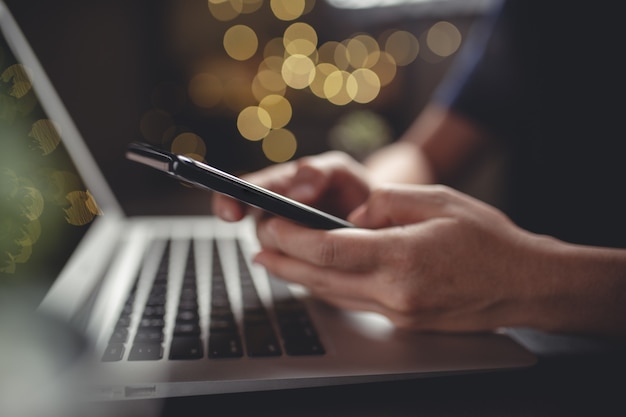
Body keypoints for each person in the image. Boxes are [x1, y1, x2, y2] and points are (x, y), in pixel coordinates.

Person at [212, 0, 626, 341]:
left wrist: (527, 281)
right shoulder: (533, 15)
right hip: (529, 339)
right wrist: (372, 194)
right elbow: (425, 153)